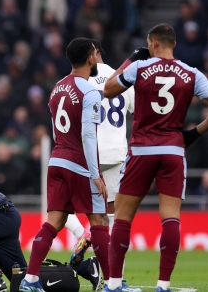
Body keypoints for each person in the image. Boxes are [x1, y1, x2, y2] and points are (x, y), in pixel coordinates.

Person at [103, 23, 208, 292]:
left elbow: (107, 89)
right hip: (173, 150)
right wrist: (195, 133)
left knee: (123, 216)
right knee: (171, 217)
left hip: (141, 149)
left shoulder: (139, 68)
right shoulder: (192, 73)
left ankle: (114, 284)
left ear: (152, 44)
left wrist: (129, 59)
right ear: (174, 44)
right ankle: (163, 286)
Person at [19, 38, 110, 292]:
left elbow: (55, 130)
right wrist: (96, 175)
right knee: (100, 221)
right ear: (91, 59)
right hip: (78, 164)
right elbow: (88, 136)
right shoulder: (90, 91)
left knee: (53, 223)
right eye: (95, 53)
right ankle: (114, 285)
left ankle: (31, 280)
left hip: (57, 160)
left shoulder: (57, 87)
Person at [64, 40, 142, 292]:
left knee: (61, 209)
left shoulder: (77, 79)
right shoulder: (119, 78)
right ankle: (114, 279)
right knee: (115, 220)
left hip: (86, 155)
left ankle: (84, 235)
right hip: (116, 154)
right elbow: (135, 110)